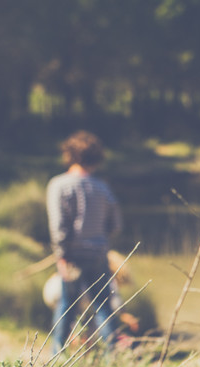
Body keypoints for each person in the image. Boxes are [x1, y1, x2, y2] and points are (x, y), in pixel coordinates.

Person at [46, 130, 138, 355]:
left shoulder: (59, 185)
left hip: (72, 255)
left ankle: (56, 354)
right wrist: (100, 238)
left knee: (67, 304)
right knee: (103, 305)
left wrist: (62, 253)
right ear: (96, 158)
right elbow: (115, 224)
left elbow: (59, 227)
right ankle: (111, 358)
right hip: (98, 253)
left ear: (69, 155)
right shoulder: (102, 188)